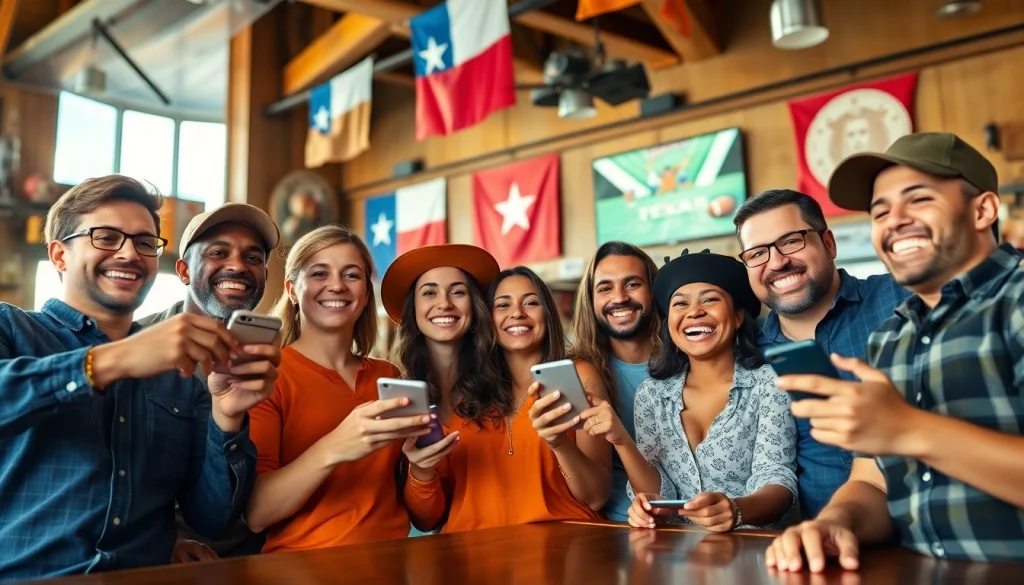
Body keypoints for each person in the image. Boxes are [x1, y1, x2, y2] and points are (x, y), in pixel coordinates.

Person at [0, 175, 279, 581]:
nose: (130, 253)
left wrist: (227, 417)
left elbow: (212, 519)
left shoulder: (181, 374)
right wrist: (112, 360)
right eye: (107, 237)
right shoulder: (12, 327)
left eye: (145, 243)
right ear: (59, 255)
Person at [767, 132, 1024, 571]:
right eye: (880, 211)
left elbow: (902, 433)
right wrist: (835, 521)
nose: (894, 220)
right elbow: (874, 482)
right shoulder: (891, 338)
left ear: (982, 210)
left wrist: (908, 429)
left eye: (918, 199)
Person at [244, 225, 430, 552]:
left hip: (393, 564)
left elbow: (418, 509)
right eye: (319, 273)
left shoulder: (389, 376)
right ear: (291, 290)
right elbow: (257, 513)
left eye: (352, 275)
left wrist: (422, 465)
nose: (336, 285)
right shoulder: (267, 375)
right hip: (302, 570)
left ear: (366, 293)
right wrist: (335, 447)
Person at [732, 189, 909, 520]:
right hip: (825, 547)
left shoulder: (903, 299)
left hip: (937, 533)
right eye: (757, 253)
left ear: (828, 243)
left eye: (791, 241)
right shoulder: (750, 356)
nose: (777, 261)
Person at [400, 260, 612, 532]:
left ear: (548, 313)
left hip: (562, 546)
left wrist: (560, 444)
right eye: (503, 305)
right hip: (473, 553)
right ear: (486, 317)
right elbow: (426, 519)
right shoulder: (464, 392)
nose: (517, 314)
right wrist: (420, 470)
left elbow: (595, 497)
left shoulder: (578, 376)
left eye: (531, 303)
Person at [136, 202, 281, 561]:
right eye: (219, 252)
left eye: (253, 257)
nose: (238, 266)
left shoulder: (275, 354)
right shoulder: (135, 347)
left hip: (259, 551)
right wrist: (160, 544)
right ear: (184, 271)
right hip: (168, 558)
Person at [617, 249, 798, 532]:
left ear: (738, 317)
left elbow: (777, 477)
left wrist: (737, 511)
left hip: (752, 550)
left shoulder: (769, 384)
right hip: (674, 558)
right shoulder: (651, 395)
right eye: (680, 304)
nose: (694, 312)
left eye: (710, 299)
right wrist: (648, 506)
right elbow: (658, 491)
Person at [570, 241, 661, 522]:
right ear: (591, 300)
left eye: (632, 284)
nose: (619, 297)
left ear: (654, 290)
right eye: (605, 288)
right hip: (615, 526)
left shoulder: (691, 361)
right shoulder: (581, 375)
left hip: (685, 519)